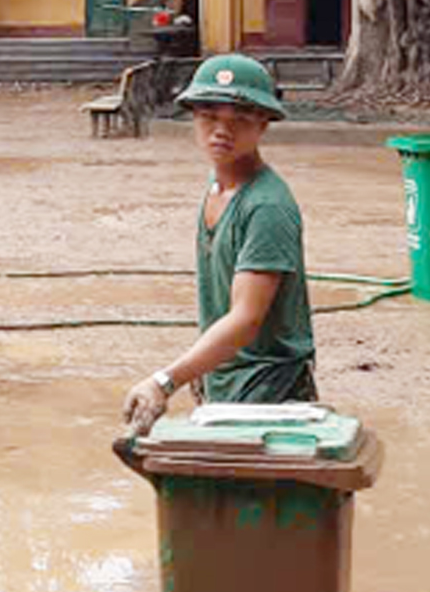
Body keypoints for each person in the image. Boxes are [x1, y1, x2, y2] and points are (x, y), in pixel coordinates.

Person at [123, 56, 317, 435]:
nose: (220, 131)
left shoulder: (267, 207)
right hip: (227, 386)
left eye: (239, 120)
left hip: (269, 396)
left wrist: (166, 381)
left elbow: (246, 319)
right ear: (193, 117)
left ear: (263, 124)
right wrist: (202, 369)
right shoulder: (218, 187)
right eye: (209, 116)